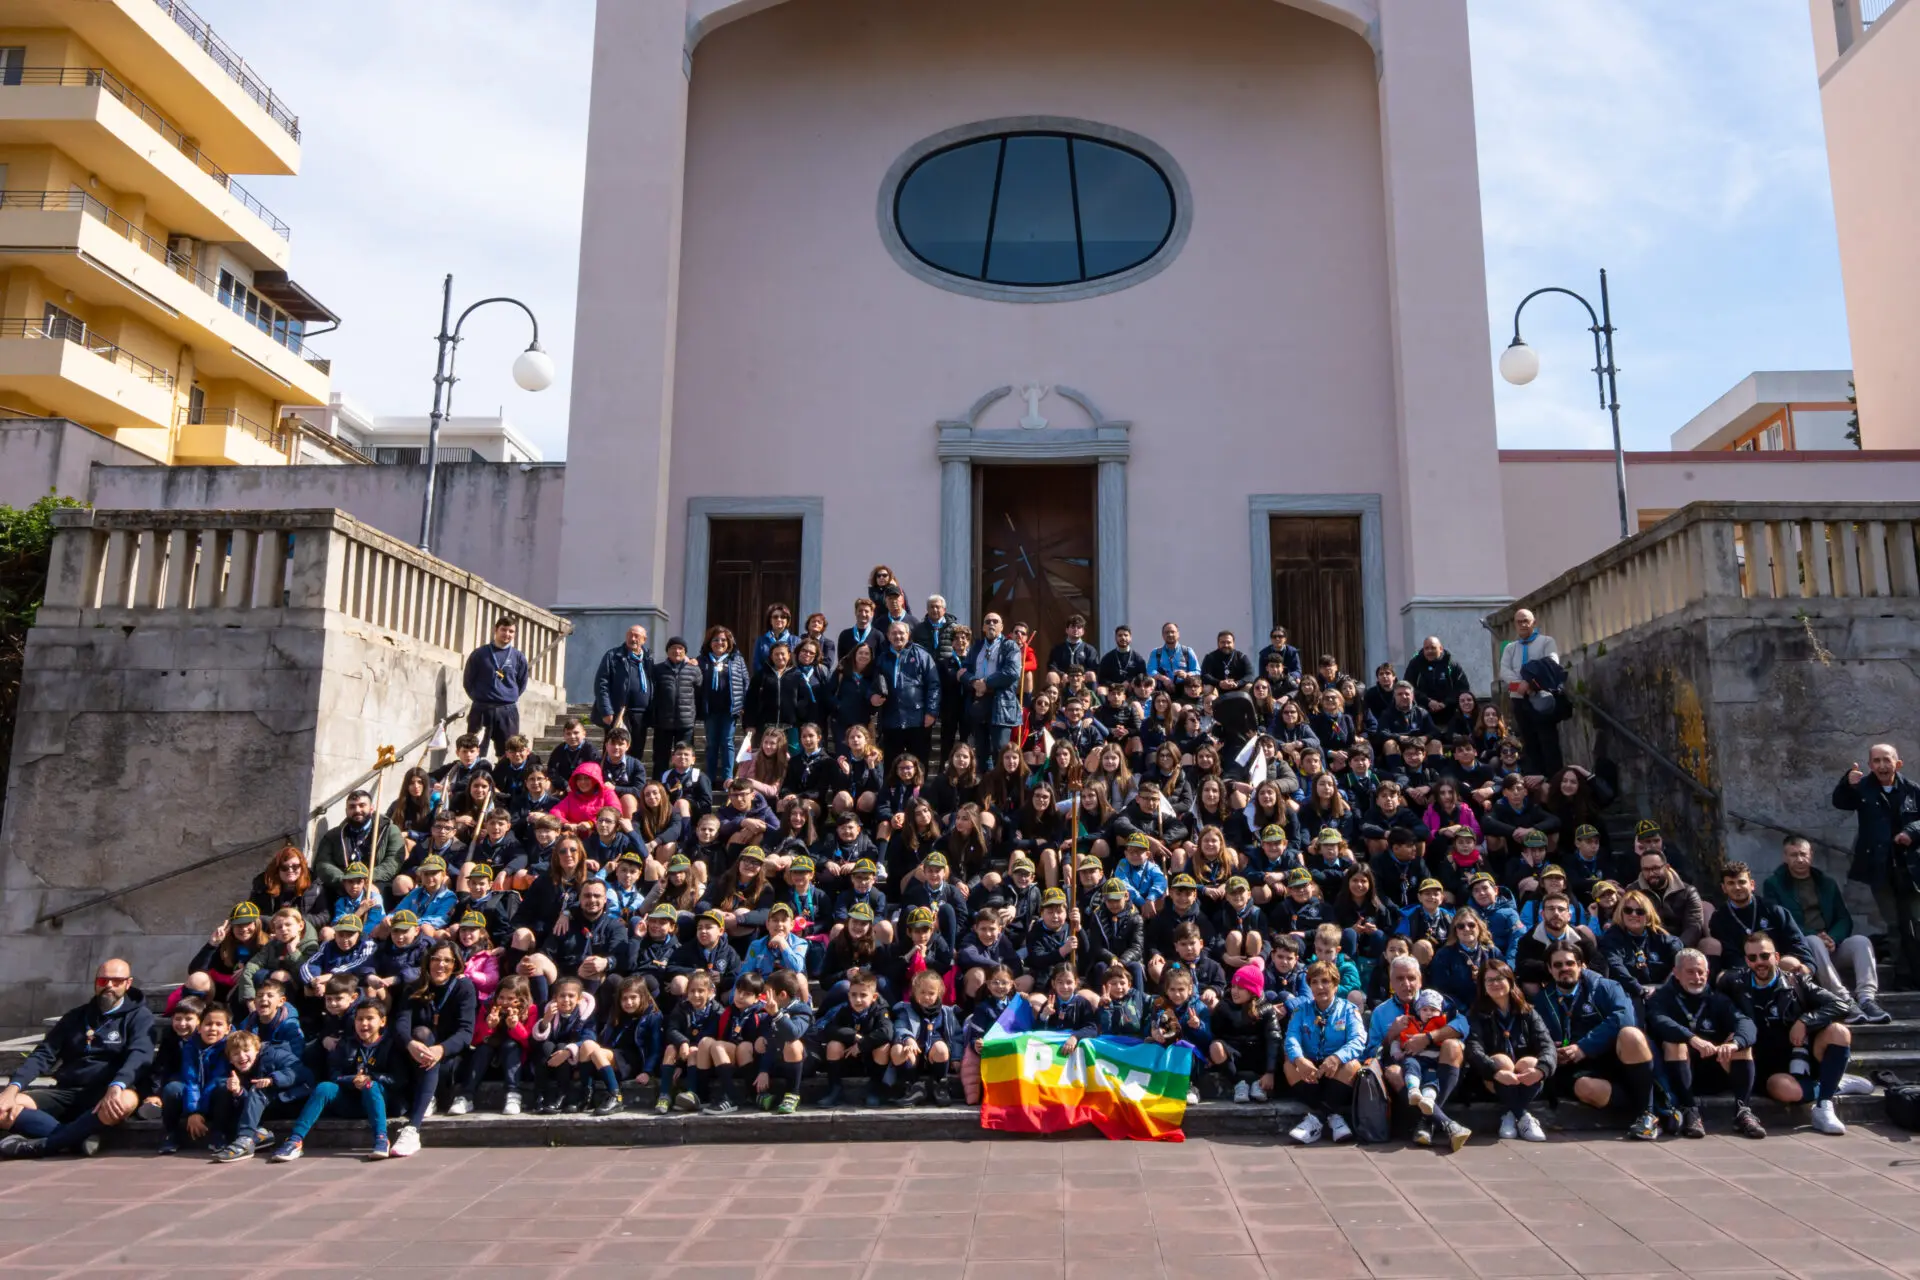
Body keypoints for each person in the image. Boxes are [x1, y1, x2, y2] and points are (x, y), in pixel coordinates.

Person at [0, 959, 153, 1159]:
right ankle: (77, 1139)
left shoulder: (140, 1017)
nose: (108, 986)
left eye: (116, 981)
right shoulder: (76, 1016)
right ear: (95, 983)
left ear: (128, 983)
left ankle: (44, 1146)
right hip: (67, 1090)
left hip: (108, 1090)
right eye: (103, 980)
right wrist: (13, 1088)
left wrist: (118, 1084)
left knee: (124, 1101)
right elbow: (44, 1054)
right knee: (3, 1108)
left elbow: (140, 1055)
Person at [1723, 931, 1855, 1136]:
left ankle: (1824, 1104)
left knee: (1839, 1032)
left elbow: (1841, 1005)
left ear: (1776, 957)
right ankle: (1833, 1083)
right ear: (1746, 960)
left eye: (1765, 956)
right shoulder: (1734, 983)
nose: (1759, 962)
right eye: (1752, 957)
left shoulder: (1796, 982)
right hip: (1764, 1063)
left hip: (1799, 1054)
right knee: (1783, 1089)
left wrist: (1806, 1021)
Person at [1534, 940, 1659, 1139]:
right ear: (1549, 969)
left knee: (1632, 1035)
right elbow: (1537, 1034)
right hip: (1573, 1068)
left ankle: (1648, 1113)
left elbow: (1624, 1017)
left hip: (1611, 1058)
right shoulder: (1541, 999)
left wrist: (1584, 1047)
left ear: (1581, 965)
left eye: (1570, 963)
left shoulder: (1606, 987)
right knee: (1587, 1089)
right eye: (1557, 965)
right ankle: (1650, 1105)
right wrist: (1553, 1051)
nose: (1564, 969)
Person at [1765, 834, 1886, 1023]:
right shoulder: (1774, 885)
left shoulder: (1826, 883)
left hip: (1830, 945)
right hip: (1802, 950)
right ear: (1785, 857)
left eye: (1803, 854)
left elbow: (1844, 918)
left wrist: (1833, 938)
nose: (1800, 859)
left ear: (1811, 855)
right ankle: (1843, 998)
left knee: (1861, 942)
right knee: (1813, 941)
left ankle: (1867, 999)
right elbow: (1780, 921)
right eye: (1794, 855)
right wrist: (1814, 936)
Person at [1645, 949, 1761, 1140]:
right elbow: (1659, 1021)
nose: (1697, 977)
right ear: (1676, 972)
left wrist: (1735, 1043)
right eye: (1690, 972)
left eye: (1701, 972)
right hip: (1679, 1073)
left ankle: (1743, 1111)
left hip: (1714, 1067)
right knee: (1676, 1043)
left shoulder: (1718, 998)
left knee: (1741, 1043)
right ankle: (1690, 1110)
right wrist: (1691, 1038)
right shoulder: (1662, 997)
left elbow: (1746, 1023)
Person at [1832, 744, 1920, 986]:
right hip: (1879, 868)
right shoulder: (1863, 789)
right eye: (1877, 761)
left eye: (1887, 760)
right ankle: (1903, 977)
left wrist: (1911, 831)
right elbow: (1840, 802)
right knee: (1893, 924)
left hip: (1912, 869)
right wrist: (1846, 782)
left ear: (1897, 763)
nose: (1882, 765)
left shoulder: (1912, 790)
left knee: (1917, 922)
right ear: (1870, 765)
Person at [1463, 958, 1555, 1142]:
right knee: (1502, 1061)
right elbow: (1474, 1049)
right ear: (1483, 985)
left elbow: (1547, 1044)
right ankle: (1523, 1116)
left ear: (1510, 981)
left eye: (1500, 978)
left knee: (1531, 1062)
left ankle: (1510, 1114)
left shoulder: (1528, 1012)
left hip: (1525, 1079)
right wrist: (1495, 1072)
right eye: (1489, 980)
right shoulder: (1476, 1014)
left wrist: (1541, 1069)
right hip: (1491, 1079)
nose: (1495, 983)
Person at [1282, 960, 1367, 1145]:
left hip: (1336, 1070)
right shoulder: (1301, 1010)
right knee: (1289, 1064)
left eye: (1325, 981)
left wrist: (1337, 1057)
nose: (1320, 987)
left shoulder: (1348, 1010)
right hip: (1311, 1069)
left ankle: (1316, 1120)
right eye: (1314, 982)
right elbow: (1291, 1038)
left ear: (1336, 985)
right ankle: (1332, 1116)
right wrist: (1300, 1060)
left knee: (1353, 1065)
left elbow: (1358, 1041)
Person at [463, 616, 530, 758]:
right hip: (482, 709)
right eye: (503, 630)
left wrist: (507, 695)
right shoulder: (480, 654)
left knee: (509, 753)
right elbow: (468, 681)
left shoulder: (518, 657)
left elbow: (521, 683)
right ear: (496, 630)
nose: (507, 634)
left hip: (507, 711)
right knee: (475, 751)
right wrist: (481, 697)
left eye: (511, 631)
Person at [877, 620, 940, 765]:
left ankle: (919, 789)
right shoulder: (883, 658)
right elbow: (875, 684)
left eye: (901, 633)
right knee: (892, 763)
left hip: (917, 719)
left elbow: (934, 685)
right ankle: (894, 789)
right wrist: (872, 695)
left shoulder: (922, 655)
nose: (897, 636)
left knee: (919, 762)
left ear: (908, 635)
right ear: (888, 636)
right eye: (894, 633)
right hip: (891, 719)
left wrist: (931, 712)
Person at [966, 612, 1023, 757]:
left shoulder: (1010, 646)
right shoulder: (976, 646)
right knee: (981, 752)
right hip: (979, 702)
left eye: (995, 621)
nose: (991, 624)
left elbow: (1011, 672)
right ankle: (985, 780)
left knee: (1001, 751)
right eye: (988, 621)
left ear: (1001, 627)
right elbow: (964, 670)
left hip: (1001, 704)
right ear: (983, 627)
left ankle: (1002, 780)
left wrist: (986, 683)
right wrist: (973, 682)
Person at [698, 626, 749, 783]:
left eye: (723, 640)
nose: (719, 643)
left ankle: (728, 778)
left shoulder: (737, 660)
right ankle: (710, 778)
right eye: (716, 640)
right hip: (710, 709)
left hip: (730, 710)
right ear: (709, 642)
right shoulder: (701, 660)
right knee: (712, 743)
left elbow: (745, 682)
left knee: (727, 742)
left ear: (729, 643)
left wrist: (743, 705)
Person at [592, 624, 652, 745]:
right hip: (619, 712)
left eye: (637, 636)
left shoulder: (648, 659)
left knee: (637, 751)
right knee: (615, 749)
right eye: (630, 635)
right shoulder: (613, 656)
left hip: (641, 714)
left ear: (644, 640)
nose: (633, 639)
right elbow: (601, 684)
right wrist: (606, 710)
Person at [650, 636, 700, 776]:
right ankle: (659, 787)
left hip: (685, 722)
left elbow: (700, 692)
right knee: (660, 758)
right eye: (673, 648)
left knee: (684, 758)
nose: (677, 651)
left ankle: (684, 787)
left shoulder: (694, 670)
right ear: (667, 651)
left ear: (685, 652)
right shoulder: (657, 670)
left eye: (680, 648)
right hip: (663, 723)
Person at [1403, 636, 1469, 731]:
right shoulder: (1415, 664)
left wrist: (1445, 703)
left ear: (1441, 649)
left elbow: (1463, 688)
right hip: (1423, 711)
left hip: (1450, 711)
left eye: (1433, 648)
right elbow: (1408, 687)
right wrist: (1428, 701)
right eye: (1426, 648)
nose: (1429, 651)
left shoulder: (1452, 665)